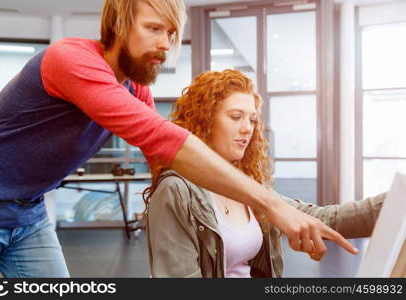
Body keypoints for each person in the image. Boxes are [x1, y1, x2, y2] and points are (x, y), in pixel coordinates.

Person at [0, 0, 355, 278]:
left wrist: (217, 218)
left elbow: (167, 168)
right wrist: (274, 206)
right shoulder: (69, 59)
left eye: (171, 33)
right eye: (153, 29)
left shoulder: (137, 91)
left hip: (29, 214)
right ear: (117, 24)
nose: (165, 44)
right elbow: (164, 138)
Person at [146, 69, 386, 277]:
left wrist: (397, 200)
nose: (247, 129)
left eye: (252, 119)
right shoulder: (176, 191)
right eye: (236, 117)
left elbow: (326, 219)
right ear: (204, 120)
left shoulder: (246, 189)